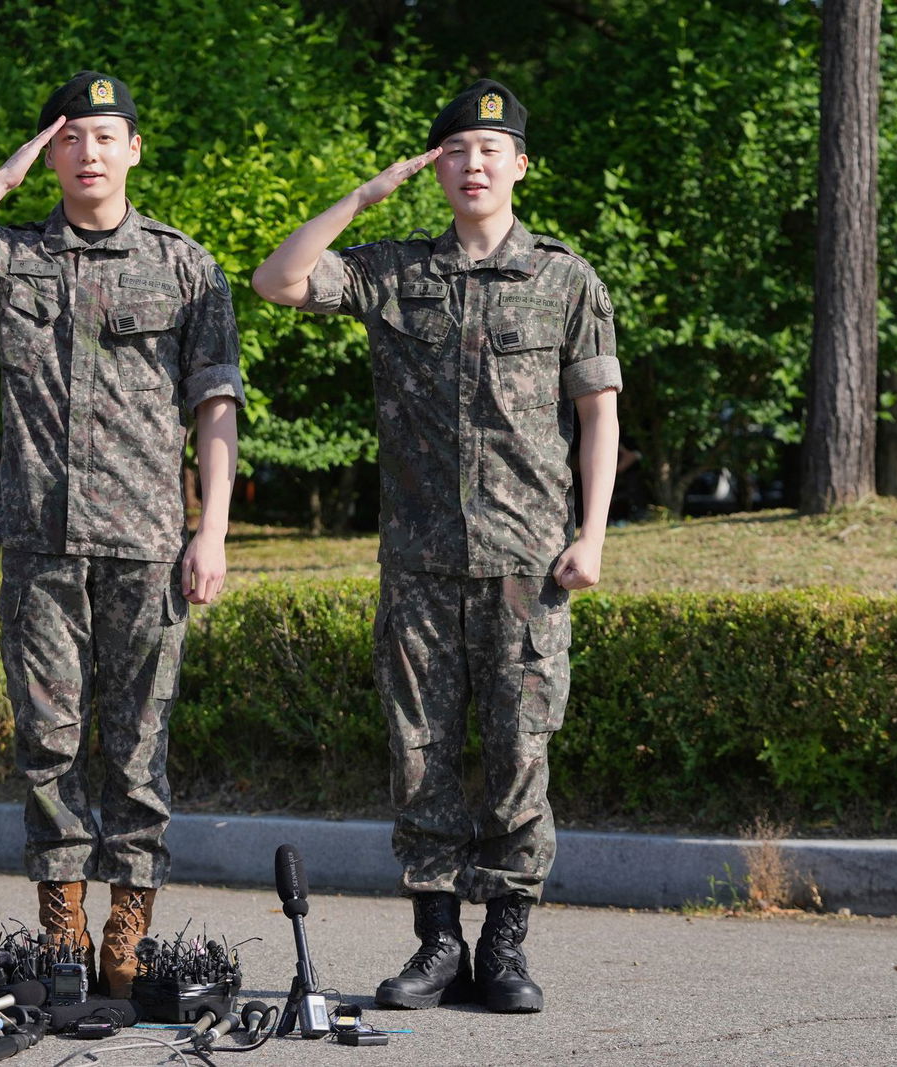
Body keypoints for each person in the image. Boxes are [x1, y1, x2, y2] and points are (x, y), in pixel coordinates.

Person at [251, 79, 621, 1014]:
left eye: (490, 150)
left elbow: (597, 411)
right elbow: (278, 279)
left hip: (526, 565)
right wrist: (363, 198)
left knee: (518, 757)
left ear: (520, 165)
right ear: (436, 167)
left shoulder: (566, 278)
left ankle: (503, 946)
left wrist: (594, 534)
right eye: (455, 151)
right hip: (418, 566)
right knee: (419, 756)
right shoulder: (394, 271)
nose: (472, 164)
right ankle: (435, 944)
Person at [0, 71, 243, 999]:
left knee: (139, 746)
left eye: (105, 136)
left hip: (147, 546)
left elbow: (216, 406)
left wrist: (211, 530)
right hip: (41, 546)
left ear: (135, 148)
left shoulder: (187, 266)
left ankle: (127, 934)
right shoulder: (11, 256)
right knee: (49, 743)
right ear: (49, 153)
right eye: (68, 138)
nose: (87, 152)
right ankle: (63, 929)